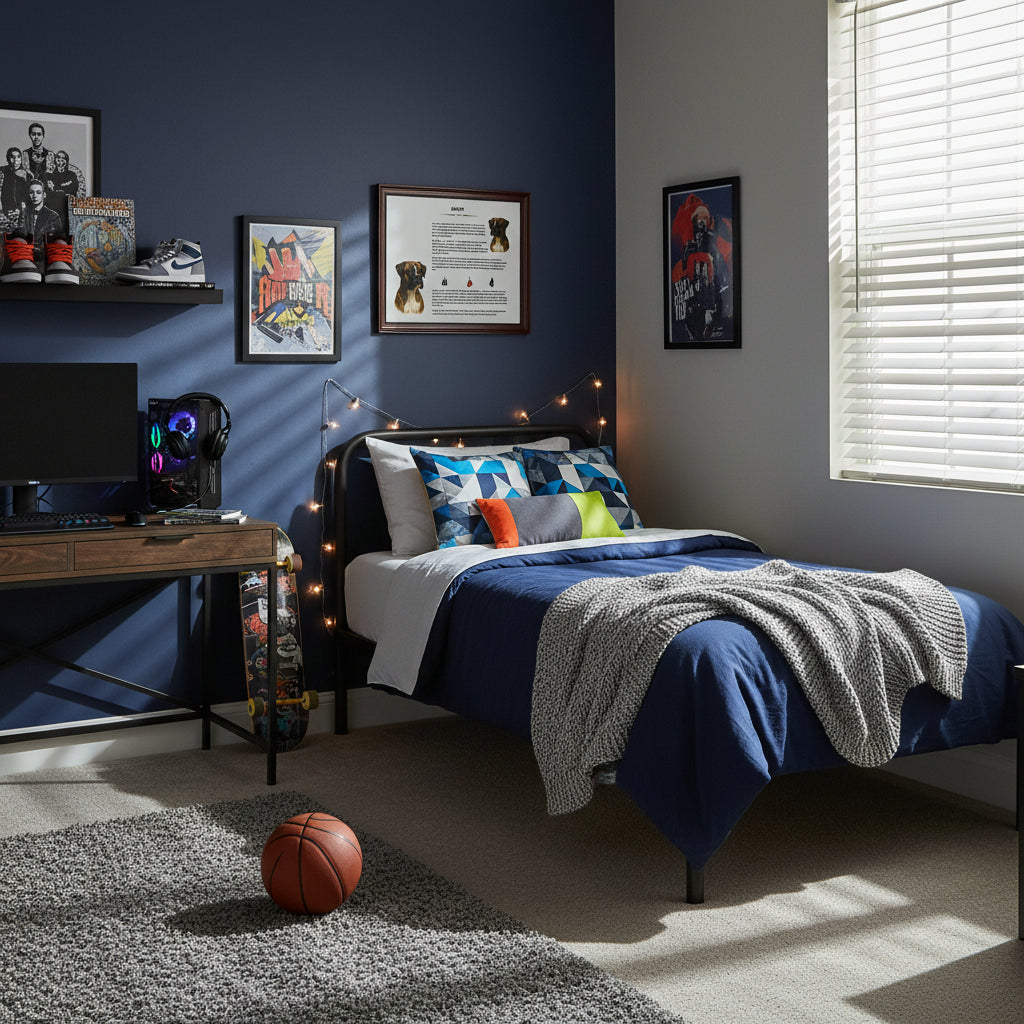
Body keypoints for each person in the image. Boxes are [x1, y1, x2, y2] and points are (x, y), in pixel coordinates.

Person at [21, 179, 63, 251]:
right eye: (31, 192)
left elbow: (58, 242)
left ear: (44, 195)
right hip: (25, 254)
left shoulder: (53, 216)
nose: (34, 196)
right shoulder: (24, 213)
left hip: (45, 255)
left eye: (38, 192)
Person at [45, 150, 79, 232]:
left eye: (63, 158)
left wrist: (56, 189)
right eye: (58, 158)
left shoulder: (72, 175)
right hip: (52, 208)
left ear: (66, 161)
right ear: (55, 160)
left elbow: (73, 190)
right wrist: (63, 188)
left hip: (67, 208)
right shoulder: (48, 175)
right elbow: (48, 193)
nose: (60, 160)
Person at [0, 147, 29, 228]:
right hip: (5, 210)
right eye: (12, 157)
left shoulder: (26, 174)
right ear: (8, 158)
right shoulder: (2, 171)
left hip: (21, 211)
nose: (16, 160)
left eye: (18, 157)